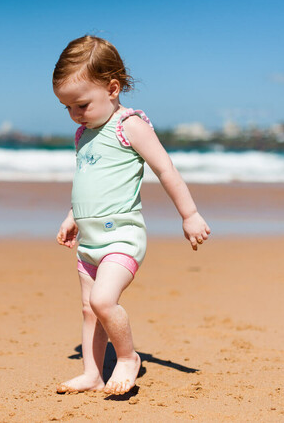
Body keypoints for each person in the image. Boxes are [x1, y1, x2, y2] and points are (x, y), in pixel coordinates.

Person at [53, 35, 211, 395]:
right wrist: (72, 215)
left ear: (112, 88)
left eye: (81, 105)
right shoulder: (84, 134)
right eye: (68, 109)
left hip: (122, 236)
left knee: (104, 301)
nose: (76, 115)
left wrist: (190, 215)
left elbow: (166, 169)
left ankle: (127, 358)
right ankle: (92, 374)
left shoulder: (129, 126)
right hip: (91, 240)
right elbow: (88, 181)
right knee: (89, 310)